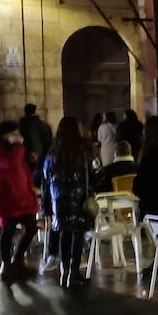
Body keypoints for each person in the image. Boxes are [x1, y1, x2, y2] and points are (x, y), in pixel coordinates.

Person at [44, 117, 100, 290]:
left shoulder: (53, 153)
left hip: (58, 202)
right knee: (77, 237)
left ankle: (64, 272)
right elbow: (98, 173)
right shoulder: (85, 150)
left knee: (65, 235)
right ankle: (73, 274)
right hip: (80, 199)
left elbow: (45, 177)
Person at [0, 122, 40, 282]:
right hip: (7, 197)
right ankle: (6, 265)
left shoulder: (13, 148)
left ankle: (18, 260)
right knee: (8, 232)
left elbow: (21, 168)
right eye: (15, 133)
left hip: (22, 196)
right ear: (6, 135)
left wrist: (31, 160)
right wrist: (18, 146)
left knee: (31, 228)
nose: (18, 136)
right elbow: (11, 164)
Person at [18, 103, 54, 168]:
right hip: (42, 159)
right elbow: (49, 142)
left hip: (25, 160)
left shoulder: (20, 126)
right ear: (35, 111)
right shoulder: (44, 125)